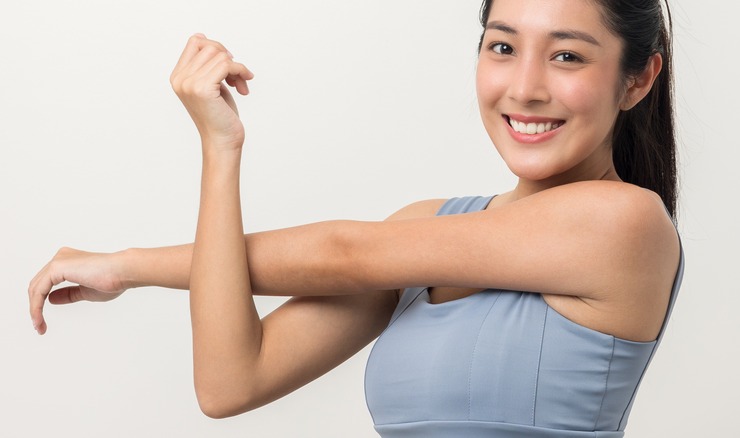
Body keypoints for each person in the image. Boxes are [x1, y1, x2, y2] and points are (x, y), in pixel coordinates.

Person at [27, 0, 683, 436]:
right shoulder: (429, 228)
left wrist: (129, 265)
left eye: (567, 55)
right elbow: (230, 379)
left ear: (637, 79)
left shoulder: (625, 224)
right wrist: (220, 148)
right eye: (503, 47)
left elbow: (344, 253)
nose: (525, 85)